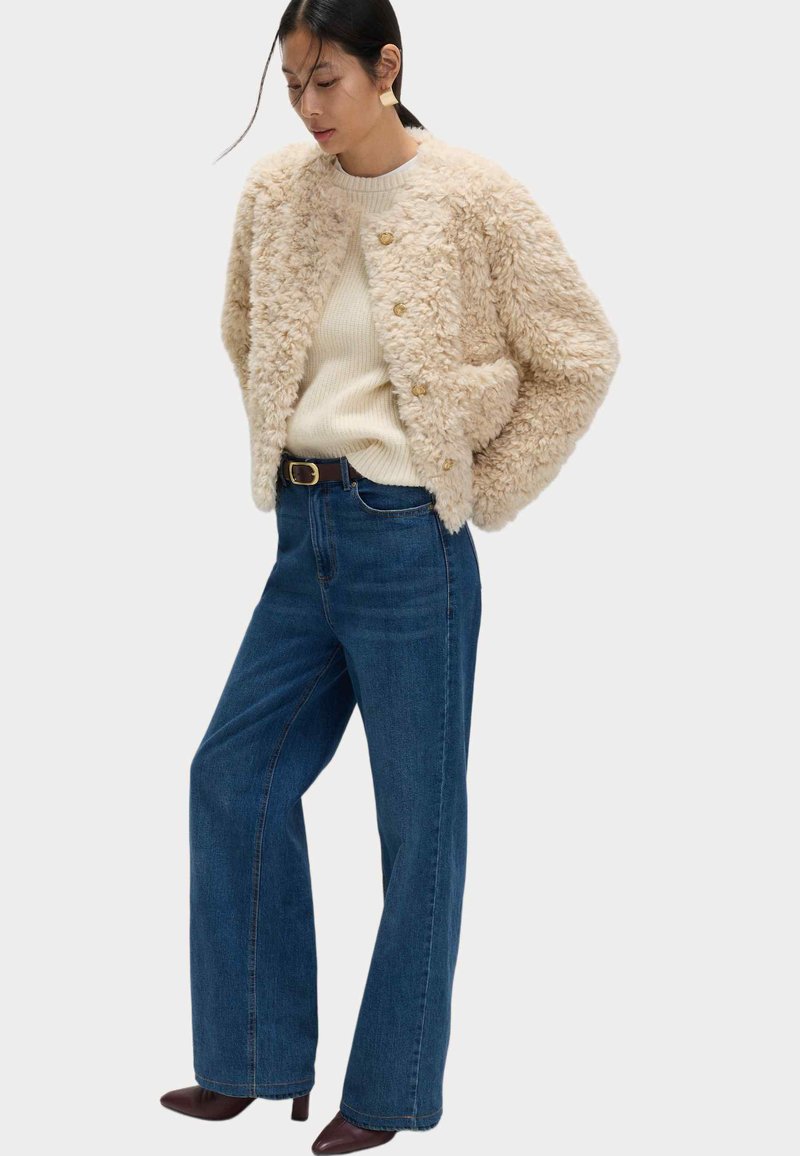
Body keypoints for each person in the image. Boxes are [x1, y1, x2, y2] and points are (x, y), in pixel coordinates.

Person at [161, 2, 620, 1152]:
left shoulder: (471, 195)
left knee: (419, 827)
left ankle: (389, 1091)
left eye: (325, 81)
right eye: (292, 84)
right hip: (302, 531)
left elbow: (578, 353)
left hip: (410, 541)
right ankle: (253, 1056)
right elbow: (243, 329)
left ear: (387, 68)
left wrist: (473, 483)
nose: (306, 107)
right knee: (232, 776)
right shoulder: (276, 193)